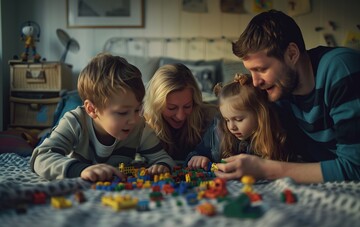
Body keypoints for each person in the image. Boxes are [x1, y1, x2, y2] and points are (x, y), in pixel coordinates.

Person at [215, 9, 360, 183]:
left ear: (292, 54)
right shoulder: (279, 92)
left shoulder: (340, 69)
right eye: (251, 71)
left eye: (261, 69)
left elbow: (355, 168)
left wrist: (264, 169)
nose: (256, 82)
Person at [30, 53, 176, 182]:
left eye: (138, 109)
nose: (134, 119)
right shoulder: (75, 121)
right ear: (92, 109)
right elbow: (40, 157)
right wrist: (80, 170)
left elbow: (163, 159)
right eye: (123, 113)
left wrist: (161, 167)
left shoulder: (140, 127)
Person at [186, 73, 291, 170]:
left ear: (259, 115)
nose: (231, 127)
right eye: (227, 119)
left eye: (238, 119)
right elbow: (197, 152)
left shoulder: (277, 134)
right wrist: (197, 157)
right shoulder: (218, 129)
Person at [142, 63, 219, 165]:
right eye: (172, 108)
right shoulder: (142, 123)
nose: (180, 116)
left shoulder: (212, 117)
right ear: (156, 105)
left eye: (187, 106)